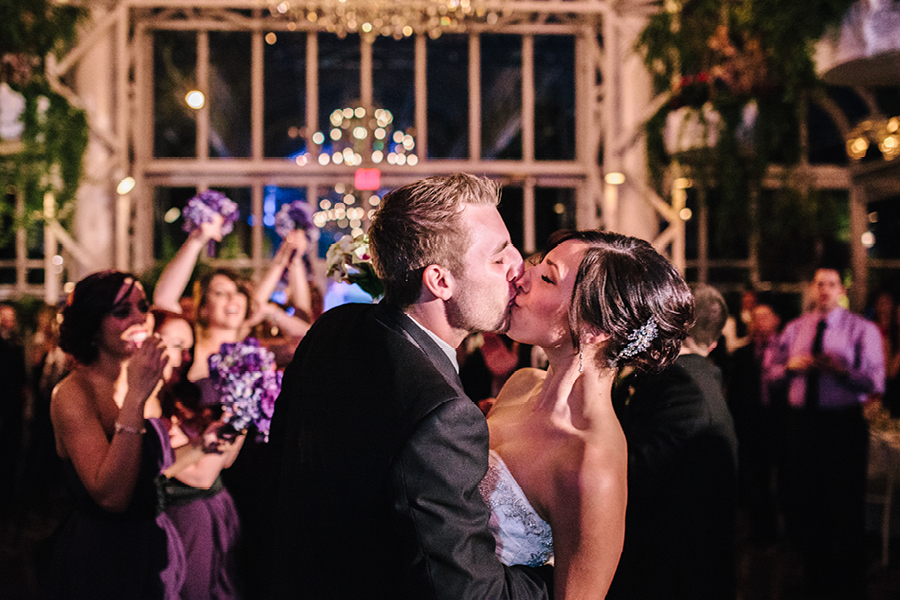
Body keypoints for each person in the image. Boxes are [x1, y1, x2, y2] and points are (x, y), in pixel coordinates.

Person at [264, 173, 552, 599]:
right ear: (440, 281)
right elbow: (467, 592)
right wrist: (554, 577)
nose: (518, 267)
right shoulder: (443, 415)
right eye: (498, 257)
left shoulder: (334, 328)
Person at [484, 230, 694, 598]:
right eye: (537, 264)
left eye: (547, 277)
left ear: (593, 328)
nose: (521, 276)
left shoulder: (590, 464)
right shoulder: (519, 384)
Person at [46, 271, 187, 599]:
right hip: (104, 554)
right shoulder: (73, 393)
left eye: (143, 307)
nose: (140, 319)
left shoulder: (146, 378)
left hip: (153, 540)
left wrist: (204, 446)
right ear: (92, 325)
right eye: (122, 312)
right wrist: (136, 398)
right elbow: (112, 497)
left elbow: (152, 469)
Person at [608, 283, 738, 600]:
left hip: (669, 569)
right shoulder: (702, 378)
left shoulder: (680, 385)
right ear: (715, 342)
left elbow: (633, 472)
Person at [763, 267, 884, 599]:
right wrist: (791, 366)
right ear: (812, 290)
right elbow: (770, 372)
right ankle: (809, 570)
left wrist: (842, 370)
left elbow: (875, 380)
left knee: (843, 501)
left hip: (842, 423)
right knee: (805, 497)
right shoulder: (795, 329)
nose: (825, 290)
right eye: (819, 284)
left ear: (841, 289)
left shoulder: (861, 329)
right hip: (802, 424)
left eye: (831, 284)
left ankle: (845, 578)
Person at [153, 309, 244, 600]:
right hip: (183, 517)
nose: (186, 356)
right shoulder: (148, 404)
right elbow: (200, 476)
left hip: (217, 510)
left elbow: (225, 461)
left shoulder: (182, 396)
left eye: (189, 348)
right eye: (177, 344)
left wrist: (241, 413)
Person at [726, 301, 784, 545]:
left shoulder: (784, 350)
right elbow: (735, 394)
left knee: (781, 478)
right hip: (750, 424)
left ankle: (781, 530)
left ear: (775, 321)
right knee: (754, 477)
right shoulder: (741, 354)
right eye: (755, 318)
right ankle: (759, 531)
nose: (759, 323)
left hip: (778, 422)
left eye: (764, 317)